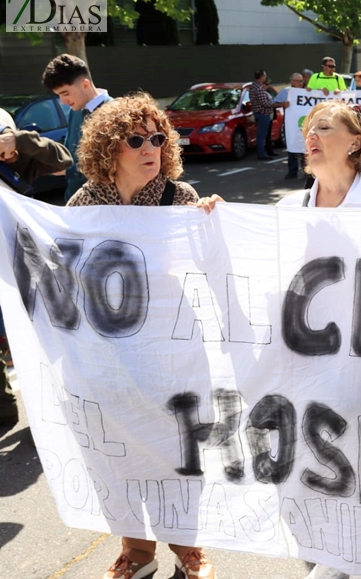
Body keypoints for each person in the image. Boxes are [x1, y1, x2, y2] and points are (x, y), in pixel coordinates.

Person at [66, 93, 221, 579]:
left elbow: (211, 264)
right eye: (136, 139)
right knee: (119, 449)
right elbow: (64, 276)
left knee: (176, 448)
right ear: (110, 148)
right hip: (106, 352)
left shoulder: (182, 199)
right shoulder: (83, 204)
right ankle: (137, 550)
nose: (150, 147)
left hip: (170, 349)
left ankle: (188, 550)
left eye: (157, 138)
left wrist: (215, 226)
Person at [0, 109, 73, 431]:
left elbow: (62, 160)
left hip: (21, 261)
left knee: (35, 336)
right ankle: (4, 410)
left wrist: (19, 144)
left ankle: (49, 418)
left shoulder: (21, 158)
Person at [41, 53, 114, 202]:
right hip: (75, 204)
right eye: (58, 95)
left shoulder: (115, 113)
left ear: (85, 84)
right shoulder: (76, 111)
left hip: (104, 208)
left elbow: (111, 167)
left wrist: (66, 170)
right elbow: (69, 153)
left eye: (65, 93)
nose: (63, 102)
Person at [274, 73, 306, 180]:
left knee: (305, 147)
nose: (300, 83)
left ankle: (306, 171)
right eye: (297, 81)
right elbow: (273, 103)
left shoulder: (306, 92)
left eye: (301, 81)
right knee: (292, 147)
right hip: (290, 125)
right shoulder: (286, 91)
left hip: (303, 124)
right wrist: (282, 104)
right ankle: (292, 171)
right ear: (291, 81)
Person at [248, 69, 283, 160]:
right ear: (261, 77)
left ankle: (263, 152)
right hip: (263, 113)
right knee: (261, 135)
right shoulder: (259, 88)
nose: (265, 78)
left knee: (262, 135)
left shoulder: (253, 86)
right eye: (264, 76)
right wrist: (278, 104)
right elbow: (265, 103)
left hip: (259, 113)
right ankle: (262, 154)